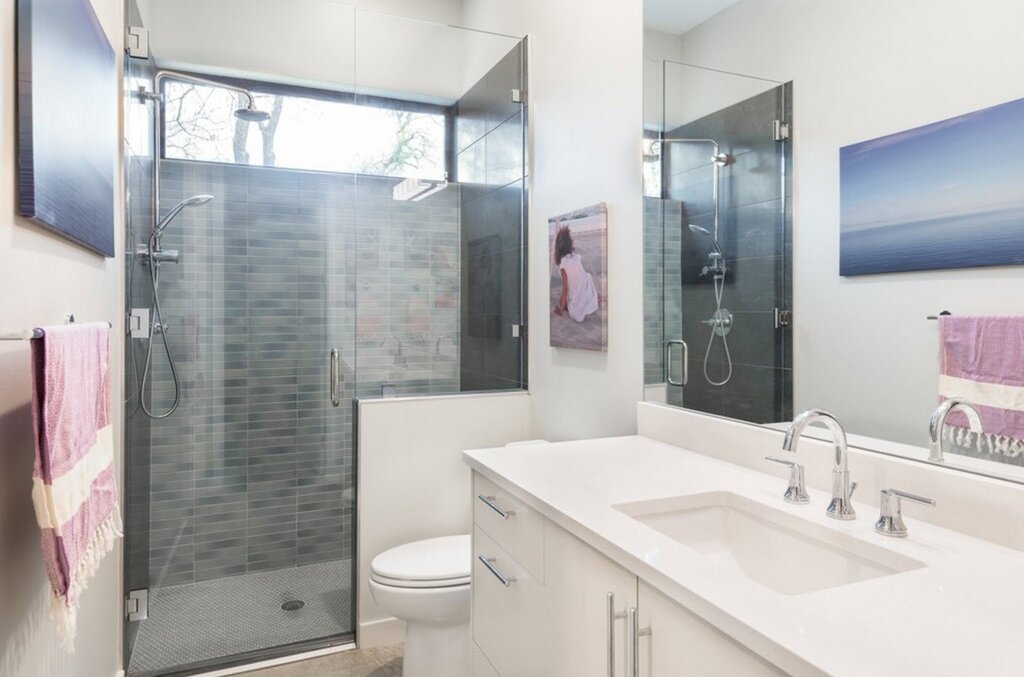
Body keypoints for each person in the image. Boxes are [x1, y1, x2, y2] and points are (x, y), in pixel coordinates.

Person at [552, 225, 599, 322]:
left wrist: (561, 308)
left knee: (567, 306)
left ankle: (575, 305)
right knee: (585, 277)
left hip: (579, 293)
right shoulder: (576, 257)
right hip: (586, 288)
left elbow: (566, 289)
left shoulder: (563, 266)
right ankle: (592, 299)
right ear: (570, 244)